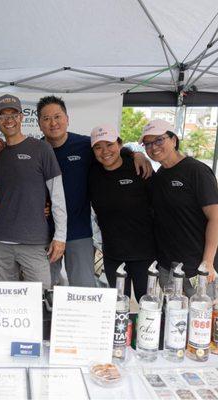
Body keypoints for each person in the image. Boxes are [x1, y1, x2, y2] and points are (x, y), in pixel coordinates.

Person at [0, 96, 153, 287]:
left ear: (67, 119)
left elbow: (109, 150)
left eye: (57, 117)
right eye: (46, 118)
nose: (53, 123)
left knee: (82, 290)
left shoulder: (85, 145)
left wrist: (136, 154)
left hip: (78, 231)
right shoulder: (35, 149)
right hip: (42, 234)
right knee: (44, 290)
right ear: (38, 123)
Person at [0, 94, 67, 290]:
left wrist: (60, 237)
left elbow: (57, 195)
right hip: (1, 241)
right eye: (2, 116)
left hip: (34, 241)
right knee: (3, 300)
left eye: (14, 114)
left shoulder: (42, 149)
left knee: (38, 301)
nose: (9, 120)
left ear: (22, 117)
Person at [140, 119, 218, 297]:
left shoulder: (197, 171)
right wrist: (134, 155)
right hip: (168, 266)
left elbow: (215, 218)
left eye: (159, 140)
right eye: (147, 144)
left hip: (197, 266)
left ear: (174, 140)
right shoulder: (159, 176)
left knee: (200, 319)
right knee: (173, 318)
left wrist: (207, 262)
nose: (153, 147)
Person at [88, 124, 156, 301]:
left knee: (147, 305)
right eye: (98, 147)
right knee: (118, 307)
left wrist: (137, 153)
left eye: (109, 144)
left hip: (145, 254)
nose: (105, 151)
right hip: (113, 255)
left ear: (119, 144)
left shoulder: (139, 167)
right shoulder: (92, 173)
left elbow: (160, 206)